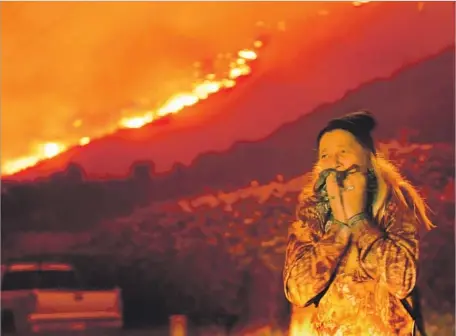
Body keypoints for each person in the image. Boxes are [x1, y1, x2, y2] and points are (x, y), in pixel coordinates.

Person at [283, 111, 435, 336]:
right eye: (325, 155)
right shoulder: (312, 213)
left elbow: (402, 281)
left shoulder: (393, 202)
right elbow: (298, 291)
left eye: (343, 152)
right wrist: (339, 228)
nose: (334, 162)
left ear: (368, 156)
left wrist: (359, 221)